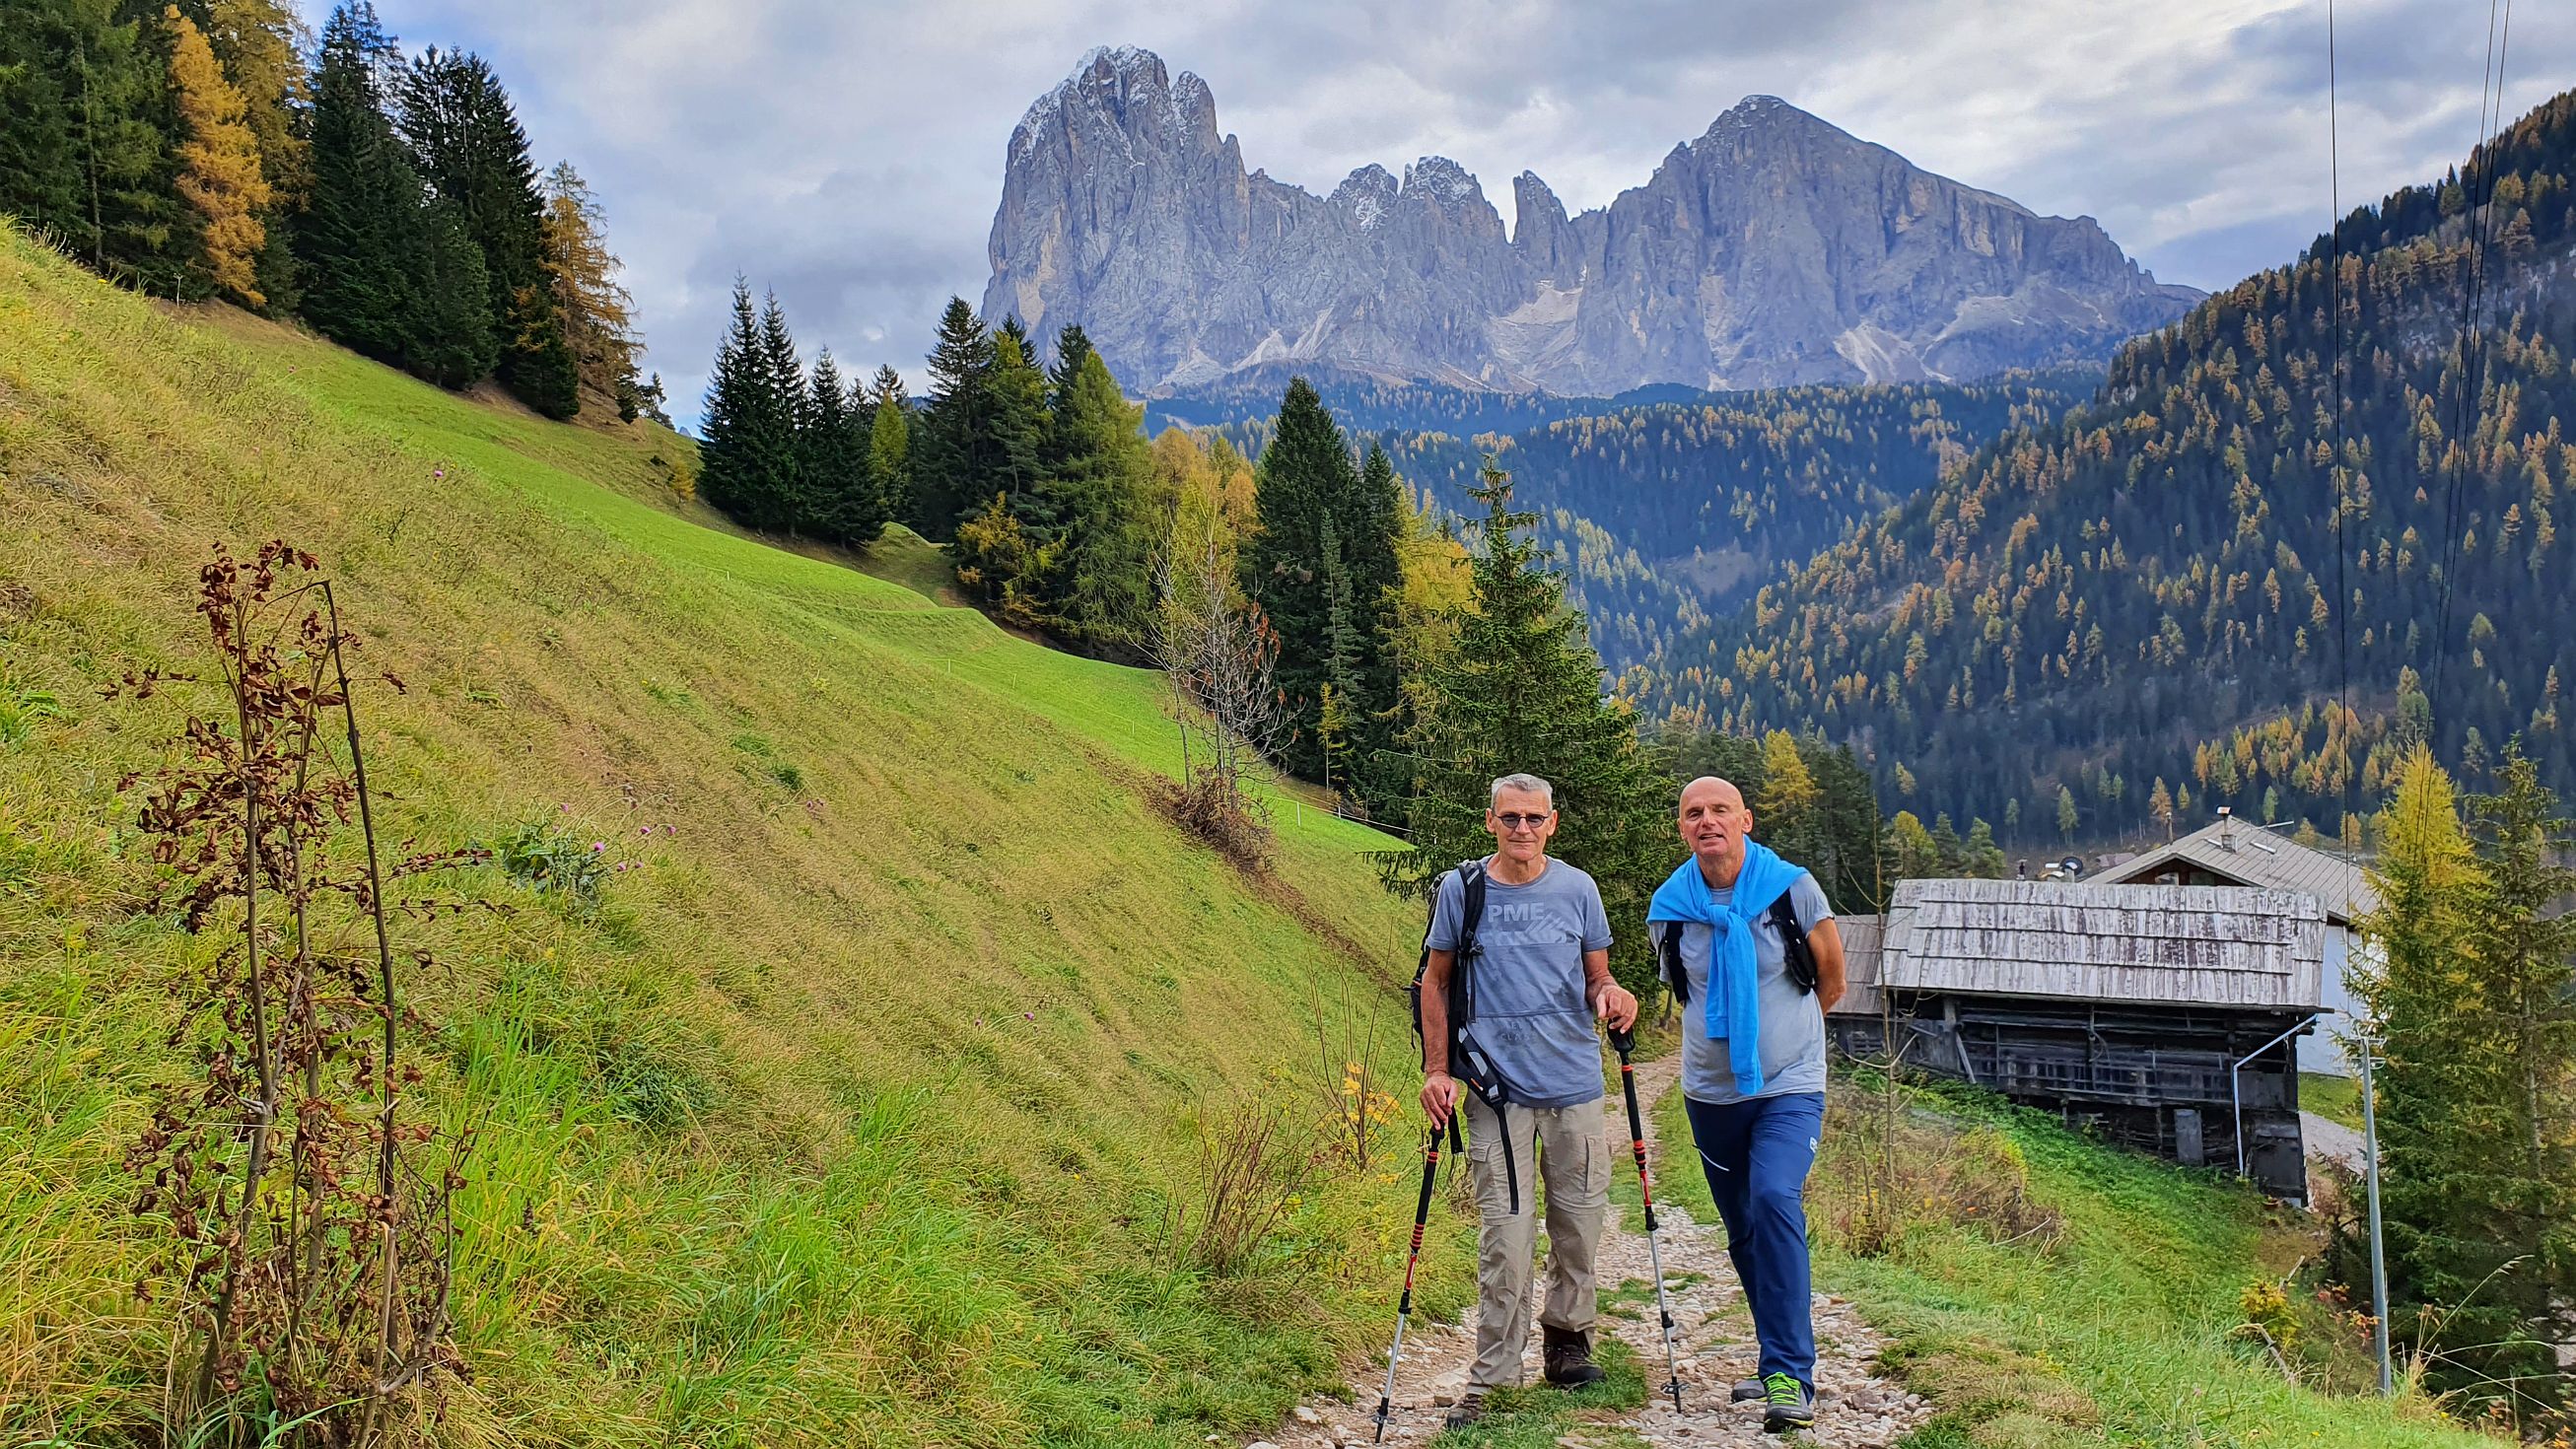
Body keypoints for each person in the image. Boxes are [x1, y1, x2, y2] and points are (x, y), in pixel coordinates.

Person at [1418, 773, 1640, 1429]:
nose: (1522, 829)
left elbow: (1597, 976)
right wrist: (1438, 1070)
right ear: (1489, 821)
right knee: (1505, 1239)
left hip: (1572, 1084)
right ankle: (1493, 1376)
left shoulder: (1577, 889)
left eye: (1533, 819)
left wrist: (1613, 996)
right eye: (1509, 818)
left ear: (1553, 822)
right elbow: (1434, 983)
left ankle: (1568, 1343)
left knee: (1578, 1224)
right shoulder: (1462, 890)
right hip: (1494, 1090)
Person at [1647, 776, 1846, 1433]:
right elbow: (1684, 992)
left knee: (1773, 1200)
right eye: (1693, 813)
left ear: (1746, 820)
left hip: (1790, 1084)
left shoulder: (1792, 888)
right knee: (1740, 1229)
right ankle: (1773, 1360)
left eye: (1719, 811)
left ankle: (1792, 1372)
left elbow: (1832, 977)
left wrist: (1786, 1041)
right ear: (1681, 828)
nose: (1707, 822)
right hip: (1710, 1092)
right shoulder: (1670, 907)